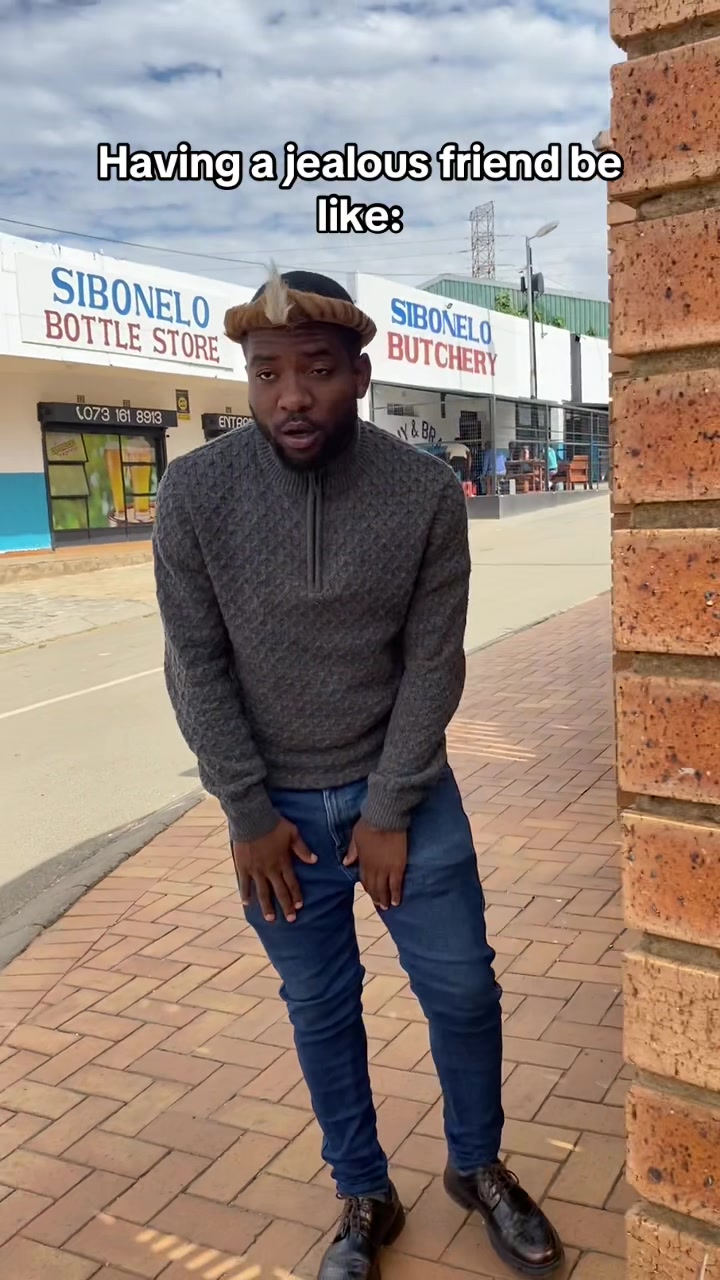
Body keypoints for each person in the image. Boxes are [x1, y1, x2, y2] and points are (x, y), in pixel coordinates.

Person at [152, 266, 564, 1280]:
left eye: (318, 370)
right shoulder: (193, 494)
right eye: (267, 373)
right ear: (248, 379)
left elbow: (434, 662)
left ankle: (476, 1164)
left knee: (463, 989)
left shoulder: (421, 493)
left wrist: (389, 806)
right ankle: (363, 1192)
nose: (291, 395)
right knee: (322, 1005)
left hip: (404, 795)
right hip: (276, 819)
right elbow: (195, 662)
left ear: (361, 375)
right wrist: (246, 812)